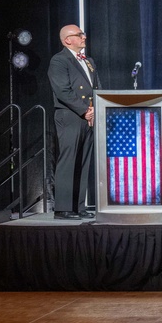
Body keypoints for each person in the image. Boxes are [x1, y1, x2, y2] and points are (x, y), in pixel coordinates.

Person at [48, 24, 101, 220]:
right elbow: (63, 91)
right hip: (70, 115)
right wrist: (83, 110)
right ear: (67, 40)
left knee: (83, 161)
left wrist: (97, 107)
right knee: (69, 160)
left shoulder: (88, 61)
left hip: (89, 115)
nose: (84, 37)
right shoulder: (59, 60)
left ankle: (78, 206)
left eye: (83, 34)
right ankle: (63, 208)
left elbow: (96, 86)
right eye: (79, 35)